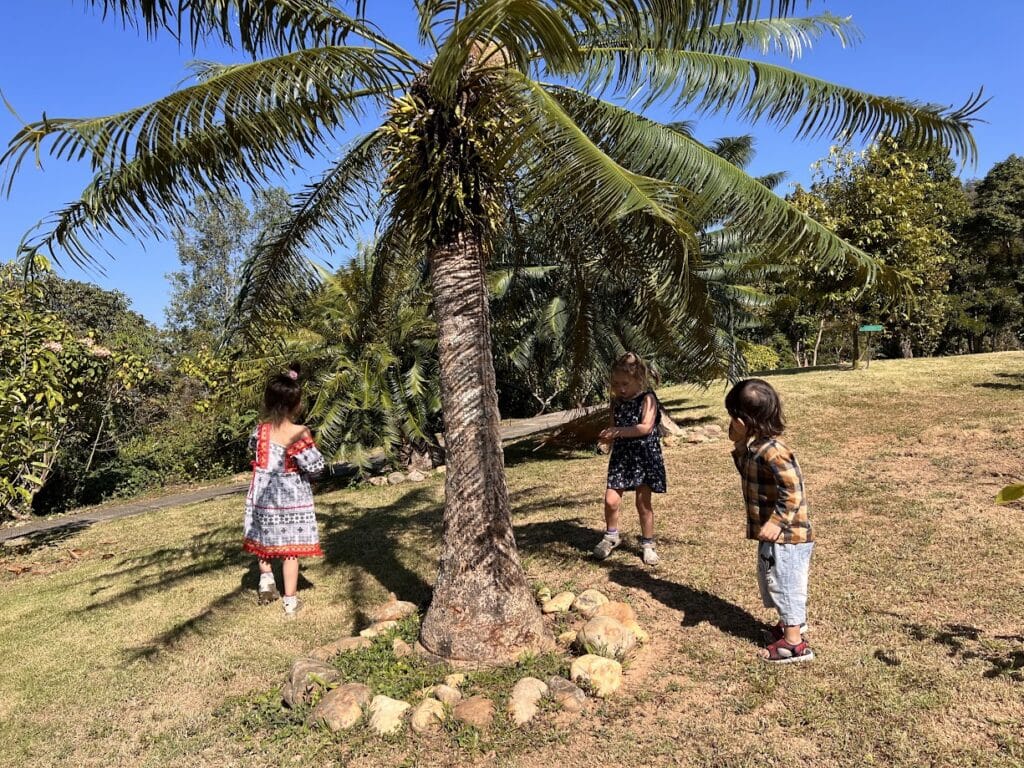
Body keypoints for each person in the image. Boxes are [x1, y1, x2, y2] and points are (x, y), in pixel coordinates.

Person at [726, 378, 814, 663]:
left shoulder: (774, 452)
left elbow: (793, 490)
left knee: (785, 584)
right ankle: (789, 622)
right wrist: (739, 443)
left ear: (743, 419)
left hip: (787, 537)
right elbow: (746, 472)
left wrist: (777, 521)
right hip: (773, 535)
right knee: (773, 580)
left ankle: (794, 644)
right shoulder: (756, 449)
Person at [243, 363, 325, 617]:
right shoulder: (299, 433)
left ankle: (266, 578)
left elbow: (255, 455)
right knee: (290, 550)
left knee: (263, 538)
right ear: (296, 404)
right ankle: (290, 601)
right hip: (291, 496)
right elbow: (316, 465)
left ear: (268, 402)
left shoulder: (259, 431)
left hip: (262, 493)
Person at [593, 352, 666, 566]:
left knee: (643, 503)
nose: (620, 388)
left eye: (625, 383)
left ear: (639, 379)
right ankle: (611, 536)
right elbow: (613, 426)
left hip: (644, 456)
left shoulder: (647, 399)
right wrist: (606, 439)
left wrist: (616, 432)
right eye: (616, 384)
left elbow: (645, 427)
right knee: (611, 499)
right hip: (622, 458)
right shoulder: (616, 403)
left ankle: (647, 543)